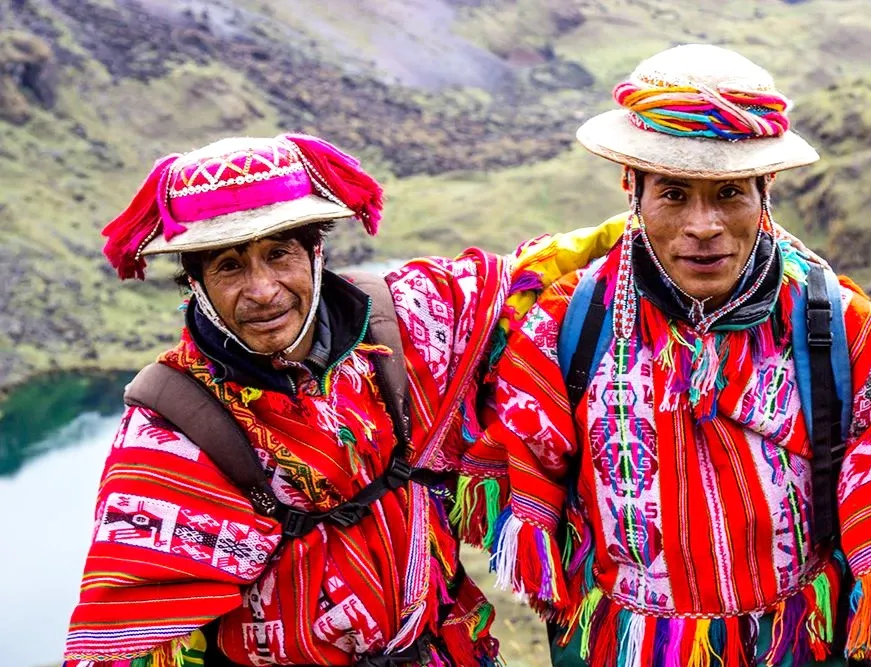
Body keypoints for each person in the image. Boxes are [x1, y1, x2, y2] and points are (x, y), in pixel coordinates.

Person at [464, 45, 871, 666]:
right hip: (626, 648)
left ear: (767, 194)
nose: (704, 225)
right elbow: (521, 478)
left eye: (730, 193)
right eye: (675, 194)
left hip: (796, 646)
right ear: (633, 191)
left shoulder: (845, 329)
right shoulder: (567, 325)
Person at [61, 133, 620, 667]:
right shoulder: (168, 434)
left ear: (315, 251)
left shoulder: (405, 324)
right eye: (229, 265)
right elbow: (128, 634)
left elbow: (526, 284)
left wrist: (657, 223)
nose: (262, 290)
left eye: (278, 254)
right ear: (197, 283)